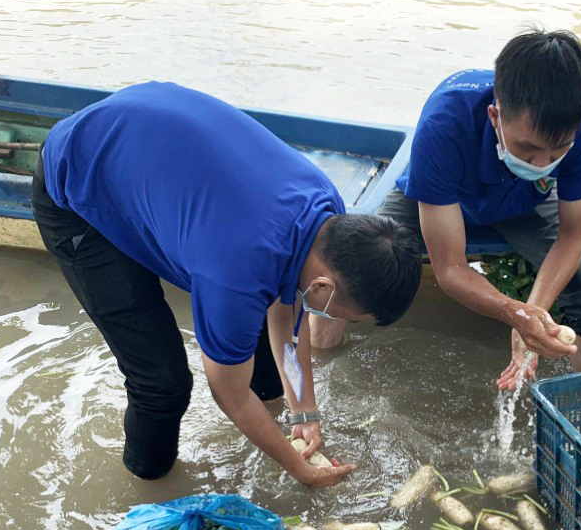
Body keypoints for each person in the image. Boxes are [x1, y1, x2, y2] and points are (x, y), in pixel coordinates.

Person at [32, 81, 422, 487]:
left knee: (265, 365)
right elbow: (228, 395)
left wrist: (304, 412)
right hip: (78, 176)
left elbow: (287, 316)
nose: (330, 316)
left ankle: (274, 415)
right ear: (324, 288)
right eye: (345, 316)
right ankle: (148, 488)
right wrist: (298, 467)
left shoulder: (328, 211)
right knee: (162, 383)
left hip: (146, 142)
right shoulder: (235, 274)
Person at [312, 29, 581, 391]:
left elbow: (572, 236)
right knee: (355, 267)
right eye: (528, 149)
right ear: (495, 116)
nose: (542, 162)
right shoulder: (445, 122)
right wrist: (513, 313)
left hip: (526, 200)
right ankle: (322, 370)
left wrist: (534, 315)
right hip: (434, 197)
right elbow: (450, 267)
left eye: (557, 151)